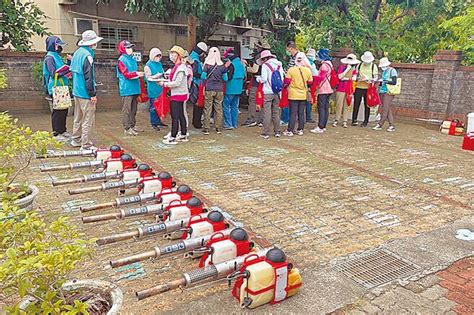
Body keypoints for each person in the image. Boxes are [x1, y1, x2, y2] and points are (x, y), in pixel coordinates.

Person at [70, 30, 103, 150]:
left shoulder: (78, 53)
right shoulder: (87, 56)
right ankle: (86, 144)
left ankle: (76, 139)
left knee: (78, 117)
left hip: (76, 91)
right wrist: (92, 94)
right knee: (88, 119)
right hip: (85, 93)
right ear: (92, 43)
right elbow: (88, 77)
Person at [42, 35, 71, 142]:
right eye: (58, 45)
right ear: (53, 45)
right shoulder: (49, 57)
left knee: (64, 109)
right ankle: (56, 133)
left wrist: (68, 63)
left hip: (62, 86)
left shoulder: (56, 56)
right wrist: (67, 69)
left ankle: (63, 130)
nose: (60, 47)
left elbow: (62, 69)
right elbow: (53, 73)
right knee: (57, 111)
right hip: (55, 87)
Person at [159, 46, 189, 144]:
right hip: (179, 94)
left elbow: (177, 83)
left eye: (174, 53)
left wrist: (164, 84)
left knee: (175, 116)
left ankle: (173, 136)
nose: (171, 55)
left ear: (179, 56)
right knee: (180, 115)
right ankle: (183, 134)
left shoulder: (181, 68)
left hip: (178, 95)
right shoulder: (177, 67)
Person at [117, 40, 144, 136]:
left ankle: (132, 125)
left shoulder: (132, 59)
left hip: (134, 87)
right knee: (126, 109)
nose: (130, 49)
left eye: (130, 47)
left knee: (134, 109)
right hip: (126, 88)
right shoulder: (121, 60)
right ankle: (126, 127)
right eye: (127, 48)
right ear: (123, 49)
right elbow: (126, 74)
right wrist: (136, 74)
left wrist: (137, 74)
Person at [283, 52, 313, 136]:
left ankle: (290, 130)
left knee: (293, 113)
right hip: (303, 94)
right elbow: (310, 82)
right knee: (301, 112)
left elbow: (286, 82)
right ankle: (300, 129)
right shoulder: (307, 70)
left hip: (293, 94)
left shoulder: (291, 70)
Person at [241, 40, 270, 127]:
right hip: (266, 82)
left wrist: (246, 66)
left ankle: (252, 119)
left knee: (252, 100)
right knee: (263, 101)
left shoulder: (259, 57)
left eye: (257, 46)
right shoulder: (270, 57)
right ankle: (261, 120)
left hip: (257, 82)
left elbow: (254, 70)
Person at [256, 50, 284, 139]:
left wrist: (258, 79)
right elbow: (282, 79)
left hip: (268, 92)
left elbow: (264, 79)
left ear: (265, 58)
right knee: (276, 112)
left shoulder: (265, 65)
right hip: (277, 92)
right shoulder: (279, 65)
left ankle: (265, 132)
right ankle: (277, 131)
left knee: (267, 112)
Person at [201, 47, 229, 135]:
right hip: (219, 89)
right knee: (219, 108)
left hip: (209, 88)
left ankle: (206, 128)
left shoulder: (207, 65)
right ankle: (218, 128)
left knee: (207, 108)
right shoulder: (222, 65)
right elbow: (226, 78)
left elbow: (203, 77)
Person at [310, 48, 334, 134]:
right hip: (329, 89)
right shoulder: (330, 64)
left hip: (323, 89)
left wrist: (313, 77)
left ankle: (320, 126)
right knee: (326, 108)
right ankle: (323, 125)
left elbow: (321, 77)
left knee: (321, 108)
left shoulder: (324, 65)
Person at [352, 51, 378, 127]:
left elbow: (375, 77)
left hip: (368, 88)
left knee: (367, 105)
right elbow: (355, 75)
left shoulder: (373, 66)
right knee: (356, 104)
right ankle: (354, 120)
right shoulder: (359, 65)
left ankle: (365, 121)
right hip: (359, 86)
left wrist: (370, 80)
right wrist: (358, 78)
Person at [333, 53, 360, 128]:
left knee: (347, 105)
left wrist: (347, 78)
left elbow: (354, 78)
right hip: (341, 88)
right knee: (339, 104)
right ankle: (336, 119)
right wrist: (347, 70)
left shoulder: (354, 69)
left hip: (349, 89)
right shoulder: (341, 67)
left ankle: (345, 120)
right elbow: (340, 76)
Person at [222, 48, 245, 130]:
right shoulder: (241, 64)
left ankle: (228, 124)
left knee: (226, 105)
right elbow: (244, 77)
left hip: (230, 89)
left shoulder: (231, 65)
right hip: (239, 89)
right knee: (235, 106)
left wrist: (224, 69)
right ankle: (234, 124)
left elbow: (227, 78)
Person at [373, 57, 397, 132]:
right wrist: (379, 82)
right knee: (387, 108)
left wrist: (385, 81)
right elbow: (382, 82)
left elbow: (394, 82)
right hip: (382, 91)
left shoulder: (392, 71)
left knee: (385, 109)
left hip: (389, 92)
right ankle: (392, 125)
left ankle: (380, 124)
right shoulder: (384, 72)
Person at [144, 47, 166, 131]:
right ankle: (154, 123)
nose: (158, 58)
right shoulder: (148, 65)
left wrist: (164, 75)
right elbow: (147, 78)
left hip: (160, 87)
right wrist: (155, 76)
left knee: (160, 106)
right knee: (153, 107)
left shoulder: (159, 64)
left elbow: (162, 73)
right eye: (157, 56)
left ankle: (159, 121)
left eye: (159, 56)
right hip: (153, 88)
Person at [189, 42, 208, 129]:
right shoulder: (195, 60)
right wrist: (203, 75)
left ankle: (195, 121)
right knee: (198, 103)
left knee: (196, 103)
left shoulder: (191, 56)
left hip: (193, 83)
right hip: (197, 83)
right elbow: (195, 73)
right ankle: (197, 122)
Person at [282, 41, 300, 125]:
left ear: (291, 48)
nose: (287, 51)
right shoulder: (293, 57)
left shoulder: (298, 58)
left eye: (288, 49)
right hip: (291, 81)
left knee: (289, 102)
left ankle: (287, 119)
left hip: (293, 82)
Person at [305, 48, 318, 123]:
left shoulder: (305, 63)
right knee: (308, 101)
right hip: (309, 84)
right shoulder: (312, 65)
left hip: (305, 84)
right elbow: (315, 75)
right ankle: (308, 117)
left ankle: (305, 117)